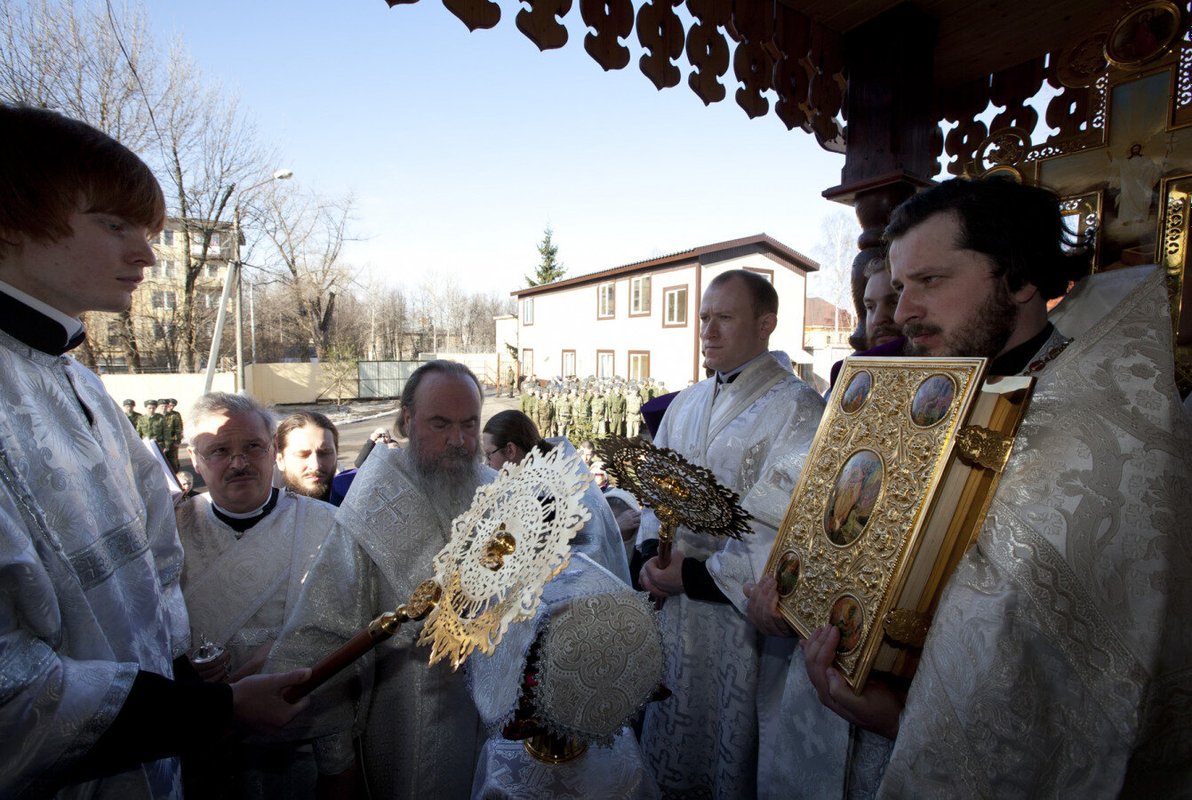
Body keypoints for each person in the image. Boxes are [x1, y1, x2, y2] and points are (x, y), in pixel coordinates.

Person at [760, 177, 1192, 796]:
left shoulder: (1106, 440)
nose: (902, 311)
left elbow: (1086, 702)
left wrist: (904, 720)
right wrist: (785, 597)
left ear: (1019, 278)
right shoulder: (913, 396)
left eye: (930, 282)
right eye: (901, 286)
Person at [0, 104, 306, 798]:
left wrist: (185, 669)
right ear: (11, 218)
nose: (144, 252)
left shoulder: (76, 380)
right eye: (114, 226)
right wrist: (212, 711)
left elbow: (153, 564)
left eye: (147, 230)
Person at [634, 269, 825, 797]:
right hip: (676, 616)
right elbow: (656, 492)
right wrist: (652, 554)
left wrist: (692, 576)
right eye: (703, 318)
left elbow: (785, 527)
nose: (708, 331)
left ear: (766, 324)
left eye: (724, 318)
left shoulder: (799, 410)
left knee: (727, 756)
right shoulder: (687, 402)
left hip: (739, 629)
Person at [267, 360, 492, 797]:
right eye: (440, 423)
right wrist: (337, 761)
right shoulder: (369, 505)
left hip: (488, 718)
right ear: (407, 419)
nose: (458, 441)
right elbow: (326, 636)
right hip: (403, 722)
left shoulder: (495, 488)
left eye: (469, 424)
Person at [176, 393, 341, 796]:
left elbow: (347, 628)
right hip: (202, 742)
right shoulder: (169, 531)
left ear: (273, 453)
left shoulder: (327, 524)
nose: (239, 462)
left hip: (299, 735)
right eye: (219, 450)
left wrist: (287, 654)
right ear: (195, 461)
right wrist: (183, 673)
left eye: (252, 447)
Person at [482, 409, 631, 583]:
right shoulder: (538, 472)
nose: (487, 464)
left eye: (489, 455)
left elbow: (532, 560)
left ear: (510, 450)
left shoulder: (548, 494)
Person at [274, 410, 338, 502]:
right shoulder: (267, 513)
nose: (315, 465)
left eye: (325, 453)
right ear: (280, 460)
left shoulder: (358, 507)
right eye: (302, 455)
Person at [162, 397, 184, 472]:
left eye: (173, 406)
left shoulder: (175, 415)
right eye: (170, 405)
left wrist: (178, 441)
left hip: (172, 441)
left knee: (173, 460)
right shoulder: (160, 414)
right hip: (162, 441)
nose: (171, 407)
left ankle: (176, 474)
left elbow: (179, 429)